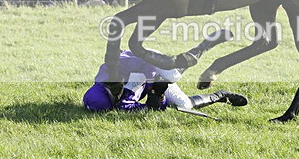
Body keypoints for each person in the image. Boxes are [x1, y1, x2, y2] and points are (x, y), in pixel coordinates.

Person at [83, 32, 247, 114]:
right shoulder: (118, 100)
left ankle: (205, 45)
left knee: (171, 75)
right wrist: (158, 100)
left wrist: (152, 87)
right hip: (149, 77)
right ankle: (221, 95)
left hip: (149, 60)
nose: (118, 93)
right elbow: (145, 107)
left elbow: (148, 68)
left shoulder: (114, 70)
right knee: (184, 104)